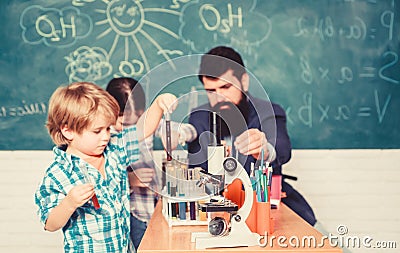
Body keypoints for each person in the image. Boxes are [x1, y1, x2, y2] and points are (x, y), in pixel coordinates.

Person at [34, 82, 177, 252]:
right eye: (97, 131)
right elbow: (50, 223)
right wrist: (69, 203)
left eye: (108, 129)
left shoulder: (114, 151)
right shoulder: (59, 173)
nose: (106, 137)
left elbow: (142, 129)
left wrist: (159, 104)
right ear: (68, 131)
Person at [187, 46, 316, 226]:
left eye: (225, 87)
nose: (220, 97)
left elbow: (282, 150)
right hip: (215, 212)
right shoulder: (198, 117)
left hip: (266, 207)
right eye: (211, 91)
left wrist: (264, 149)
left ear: (244, 81)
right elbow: (196, 170)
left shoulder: (269, 112)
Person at [106, 77, 197, 249]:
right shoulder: (104, 137)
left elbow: (191, 130)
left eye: (138, 120)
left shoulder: (149, 123)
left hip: (155, 208)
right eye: (124, 122)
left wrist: (178, 135)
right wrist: (129, 180)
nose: (133, 129)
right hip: (134, 214)